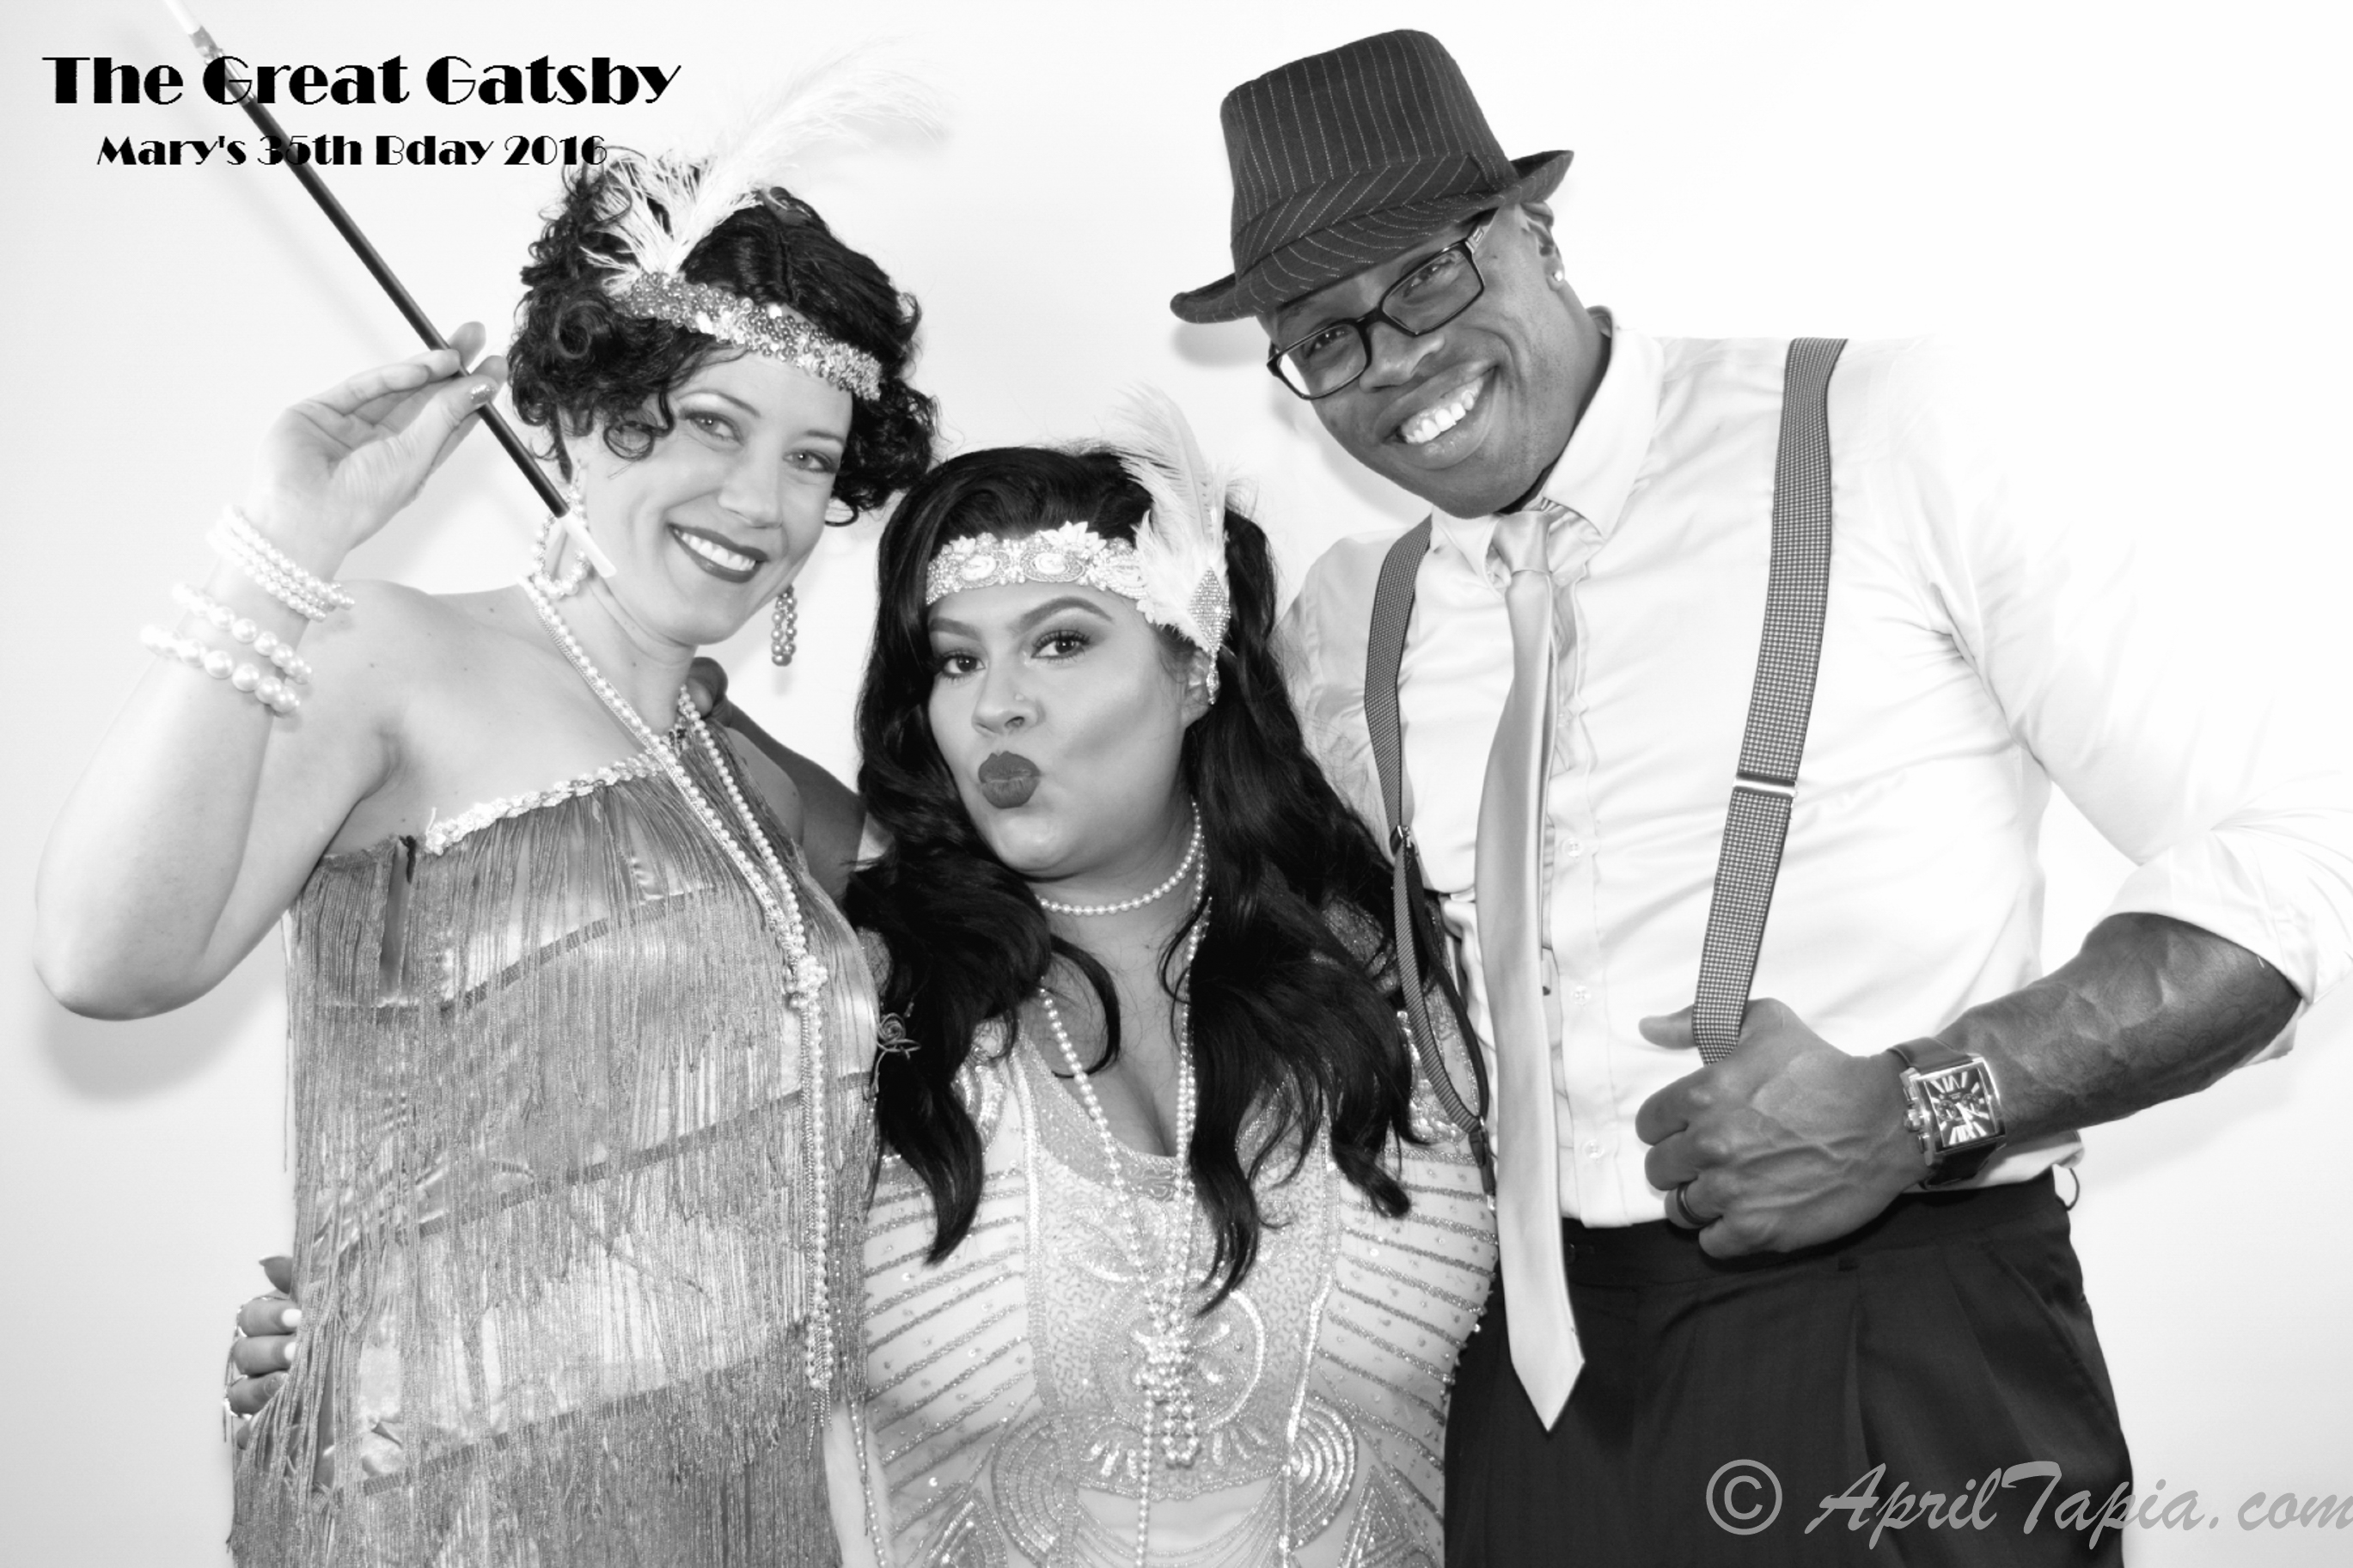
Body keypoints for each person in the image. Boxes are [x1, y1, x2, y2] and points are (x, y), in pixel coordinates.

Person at [1170, 29, 2353, 1568]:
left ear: (1536, 235)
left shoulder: (1886, 428)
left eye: (1429, 279)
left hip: (1900, 1340)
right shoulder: (1348, 620)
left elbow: (2292, 849)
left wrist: (1921, 1104)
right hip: (1524, 1394)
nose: (1391, 358)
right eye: (1325, 336)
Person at [35, 88, 937, 1565]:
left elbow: (993, 923)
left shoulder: (750, 782)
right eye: (712, 424)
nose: (758, 501)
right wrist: (286, 535)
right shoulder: (396, 657)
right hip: (449, 1514)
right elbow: (103, 955)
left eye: (809, 458)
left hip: (740, 1515)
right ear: (581, 412)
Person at [841, 404, 1496, 1566]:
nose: (996, 703)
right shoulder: (860, 1010)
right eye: (956, 659)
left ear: (1195, 670)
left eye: (1059, 643)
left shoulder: (1397, 968)